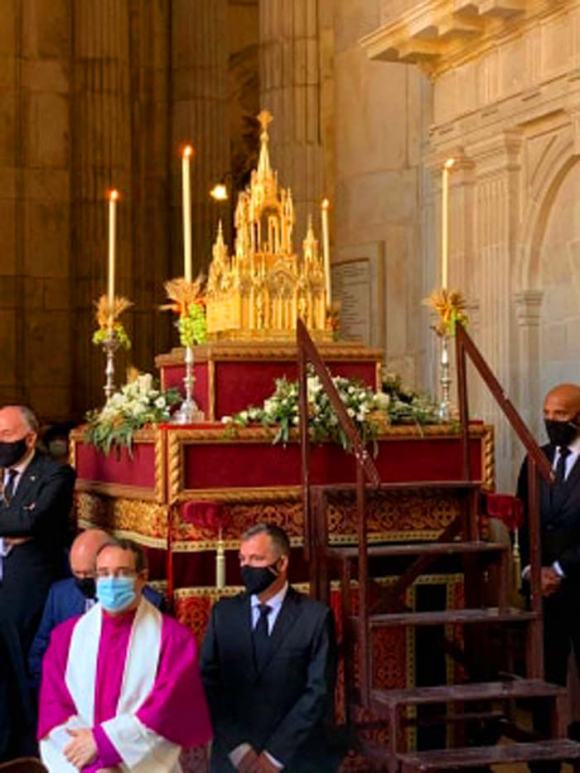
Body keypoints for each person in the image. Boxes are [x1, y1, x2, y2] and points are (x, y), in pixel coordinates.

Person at [38, 538, 212, 772]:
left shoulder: (175, 640)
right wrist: (95, 766)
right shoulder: (65, 637)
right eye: (103, 573)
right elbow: (54, 707)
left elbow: (168, 711)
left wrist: (104, 744)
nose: (111, 581)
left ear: (142, 577)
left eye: (122, 573)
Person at [201, 523, 338, 773]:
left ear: (281, 563)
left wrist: (274, 757)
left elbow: (318, 692)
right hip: (234, 759)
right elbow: (208, 683)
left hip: (296, 759)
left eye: (257, 559)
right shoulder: (224, 614)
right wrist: (239, 750)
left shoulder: (315, 618)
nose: (247, 567)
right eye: (242, 559)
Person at [517, 383, 580, 770]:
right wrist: (531, 569)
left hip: (576, 583)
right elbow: (524, 522)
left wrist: (560, 569)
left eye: (560, 414)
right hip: (543, 591)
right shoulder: (535, 459)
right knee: (544, 676)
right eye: (547, 413)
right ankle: (544, 761)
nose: (551, 420)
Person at [28, 528, 165, 688]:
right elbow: (40, 650)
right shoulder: (60, 594)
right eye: (77, 573)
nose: (82, 580)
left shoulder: (150, 602)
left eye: (88, 574)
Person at [0, 405, 76, 654]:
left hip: (28, 578)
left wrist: (22, 521)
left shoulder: (56, 474)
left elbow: (32, 522)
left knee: (17, 649)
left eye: (6, 435)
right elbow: (18, 520)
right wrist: (16, 521)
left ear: (30, 439)